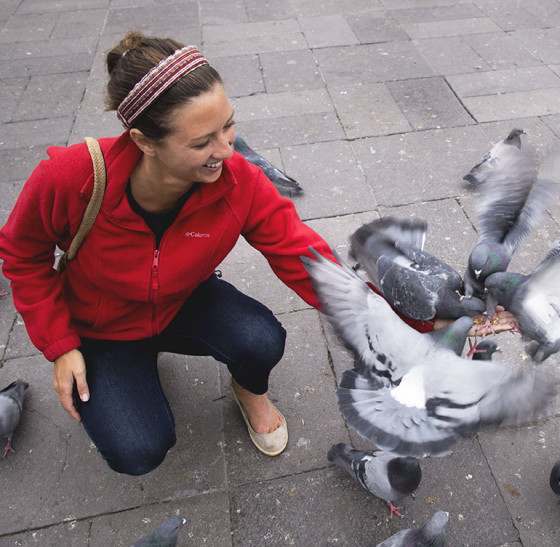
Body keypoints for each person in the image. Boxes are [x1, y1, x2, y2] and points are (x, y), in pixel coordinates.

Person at [0, 32, 338, 475]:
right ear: (143, 141)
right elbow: (23, 257)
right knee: (138, 449)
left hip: (181, 300)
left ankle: (249, 389)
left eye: (229, 126)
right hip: (102, 326)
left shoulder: (239, 181)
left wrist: (406, 320)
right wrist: (60, 345)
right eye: (202, 143)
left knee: (262, 339)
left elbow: (305, 257)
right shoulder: (73, 177)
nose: (226, 151)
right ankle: (131, 368)